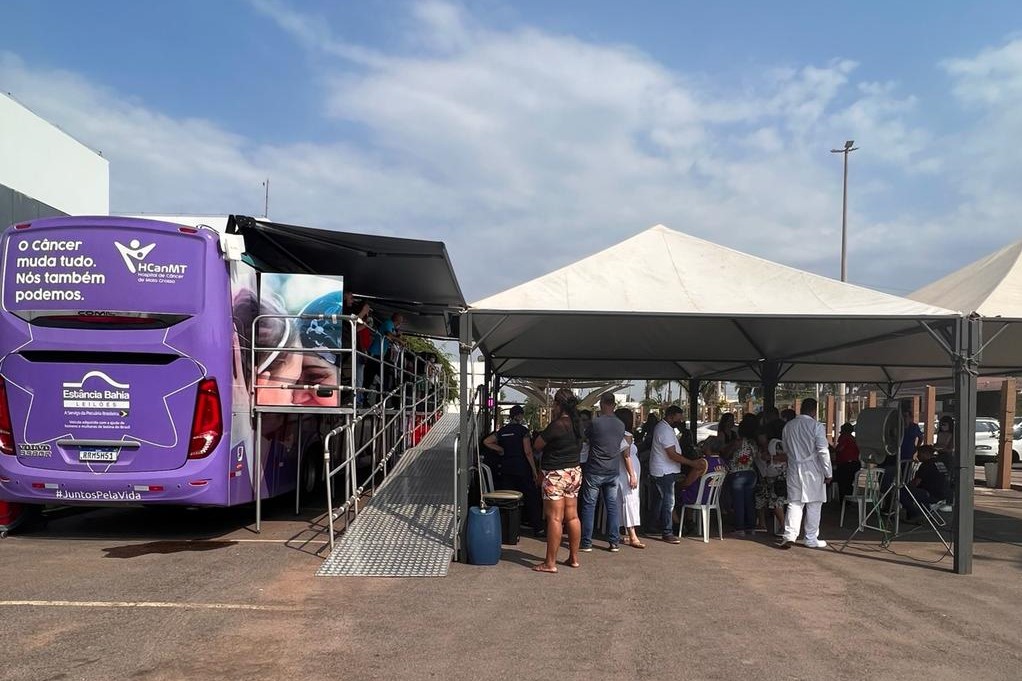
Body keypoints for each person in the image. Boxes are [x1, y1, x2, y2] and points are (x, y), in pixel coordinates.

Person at [531, 388, 583, 573]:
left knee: (555, 518)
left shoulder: (558, 425)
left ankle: (550, 563)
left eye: (554, 403)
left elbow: (537, 445)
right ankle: (574, 558)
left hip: (555, 474)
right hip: (574, 472)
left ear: (559, 404)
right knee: (573, 516)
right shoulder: (578, 424)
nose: (553, 406)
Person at [777, 398, 833, 549]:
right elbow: (823, 451)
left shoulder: (789, 426)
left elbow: (786, 448)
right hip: (813, 469)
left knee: (795, 503)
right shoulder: (816, 426)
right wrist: (828, 472)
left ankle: (789, 535)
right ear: (815, 410)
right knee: (814, 504)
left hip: (794, 467)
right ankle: (810, 538)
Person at [482, 405, 543, 536]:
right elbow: (527, 452)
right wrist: (534, 470)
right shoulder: (523, 431)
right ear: (519, 416)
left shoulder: (503, 431)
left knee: (507, 499)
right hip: (522, 469)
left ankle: (504, 529)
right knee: (531, 498)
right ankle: (538, 528)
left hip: (506, 468)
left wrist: (501, 450)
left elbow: (487, 441)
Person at [579, 393, 626, 552]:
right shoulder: (621, 425)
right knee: (612, 506)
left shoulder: (595, 423)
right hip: (613, 470)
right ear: (614, 404)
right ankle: (614, 541)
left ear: (601, 404)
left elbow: (585, 438)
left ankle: (586, 542)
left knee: (589, 505)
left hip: (595, 469)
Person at [648, 405, 689, 544]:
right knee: (668, 501)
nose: (681, 420)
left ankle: (652, 525)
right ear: (671, 416)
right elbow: (672, 454)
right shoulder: (664, 430)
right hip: (664, 470)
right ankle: (667, 531)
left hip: (664, 469)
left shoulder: (666, 428)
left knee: (660, 499)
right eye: (679, 418)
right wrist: (691, 463)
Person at [677, 437, 727, 535]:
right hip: (712, 498)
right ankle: (690, 522)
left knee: (674, 494)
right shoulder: (722, 462)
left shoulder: (703, 462)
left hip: (698, 498)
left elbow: (688, 482)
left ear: (708, 447)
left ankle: (684, 524)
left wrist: (679, 485)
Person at [724, 413, 761, 536]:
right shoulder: (754, 443)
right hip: (751, 473)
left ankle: (740, 528)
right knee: (749, 501)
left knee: (738, 501)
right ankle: (751, 527)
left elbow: (727, 454)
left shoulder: (739, 441)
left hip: (737, 473)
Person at [614, 408, 644, 548]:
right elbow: (626, 456)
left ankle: (624, 531)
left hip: (621, 470)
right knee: (630, 500)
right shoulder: (626, 435)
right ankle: (632, 534)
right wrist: (632, 474)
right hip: (627, 471)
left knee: (622, 500)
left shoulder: (617, 435)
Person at [900, 445, 951, 521]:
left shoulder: (926, 465)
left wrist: (906, 485)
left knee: (902, 492)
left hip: (930, 495)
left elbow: (916, 482)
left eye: (919, 454)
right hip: (943, 495)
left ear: (926, 454)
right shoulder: (940, 463)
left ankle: (915, 514)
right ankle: (926, 511)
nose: (918, 456)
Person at [365, 312, 403, 397]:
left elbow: (392, 337)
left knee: (381, 376)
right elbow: (388, 335)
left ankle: (379, 398)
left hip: (380, 354)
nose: (401, 323)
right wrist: (399, 340)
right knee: (372, 377)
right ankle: (372, 398)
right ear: (397, 320)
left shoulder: (392, 327)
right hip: (375, 353)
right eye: (401, 321)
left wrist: (398, 336)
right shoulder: (388, 323)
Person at [755, 436, 787, 535]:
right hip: (767, 477)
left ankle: (784, 526)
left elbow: (787, 457)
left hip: (779, 477)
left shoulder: (776, 444)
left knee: (777, 501)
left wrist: (771, 458)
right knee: (759, 496)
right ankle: (762, 523)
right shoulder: (758, 448)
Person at [833, 422, 861, 501]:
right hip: (855, 463)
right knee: (849, 483)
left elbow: (839, 449)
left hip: (845, 464)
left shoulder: (844, 438)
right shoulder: (854, 439)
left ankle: (843, 500)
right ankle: (848, 500)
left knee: (842, 483)